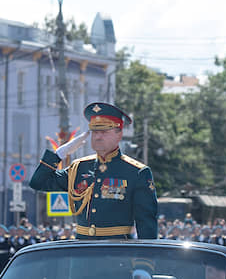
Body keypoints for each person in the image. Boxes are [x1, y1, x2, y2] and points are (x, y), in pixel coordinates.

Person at [30, 102, 158, 239]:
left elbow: (146, 224)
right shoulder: (79, 168)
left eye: (104, 131)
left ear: (119, 134)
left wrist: (143, 259)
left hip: (117, 252)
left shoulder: (136, 172)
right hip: (82, 251)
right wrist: (59, 154)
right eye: (95, 131)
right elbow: (38, 183)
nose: (98, 137)